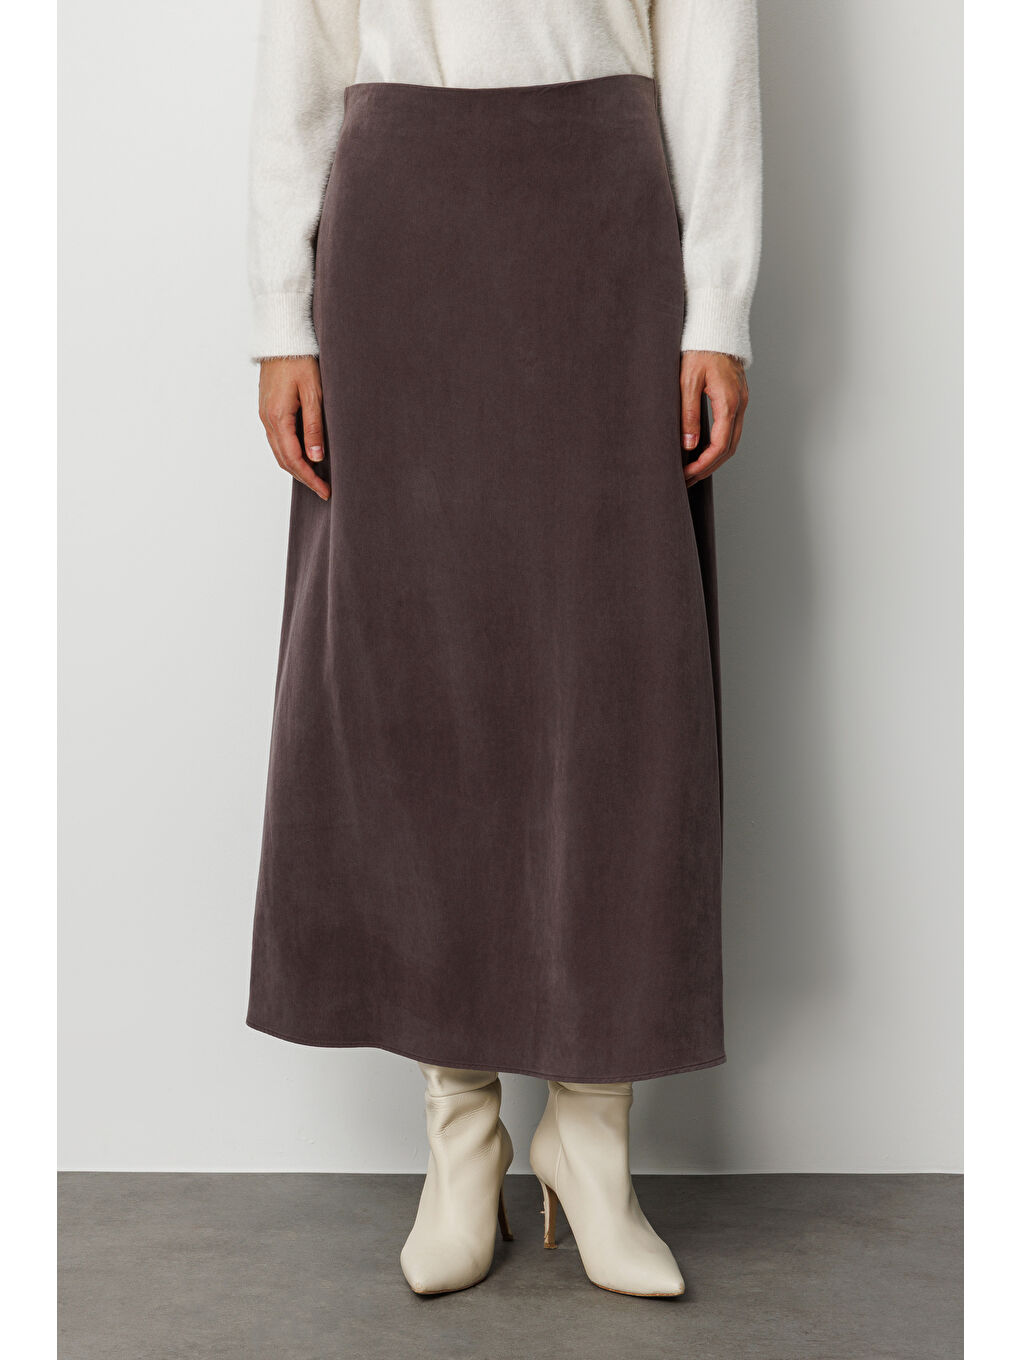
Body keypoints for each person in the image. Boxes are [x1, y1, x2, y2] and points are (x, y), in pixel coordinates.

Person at [246, 0, 761, 1298]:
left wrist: (720, 305)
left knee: (621, 682)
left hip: (600, 217)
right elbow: (302, 43)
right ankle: (460, 1131)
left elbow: (713, 41)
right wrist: (279, 315)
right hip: (398, 226)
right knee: (421, 675)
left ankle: (591, 1136)